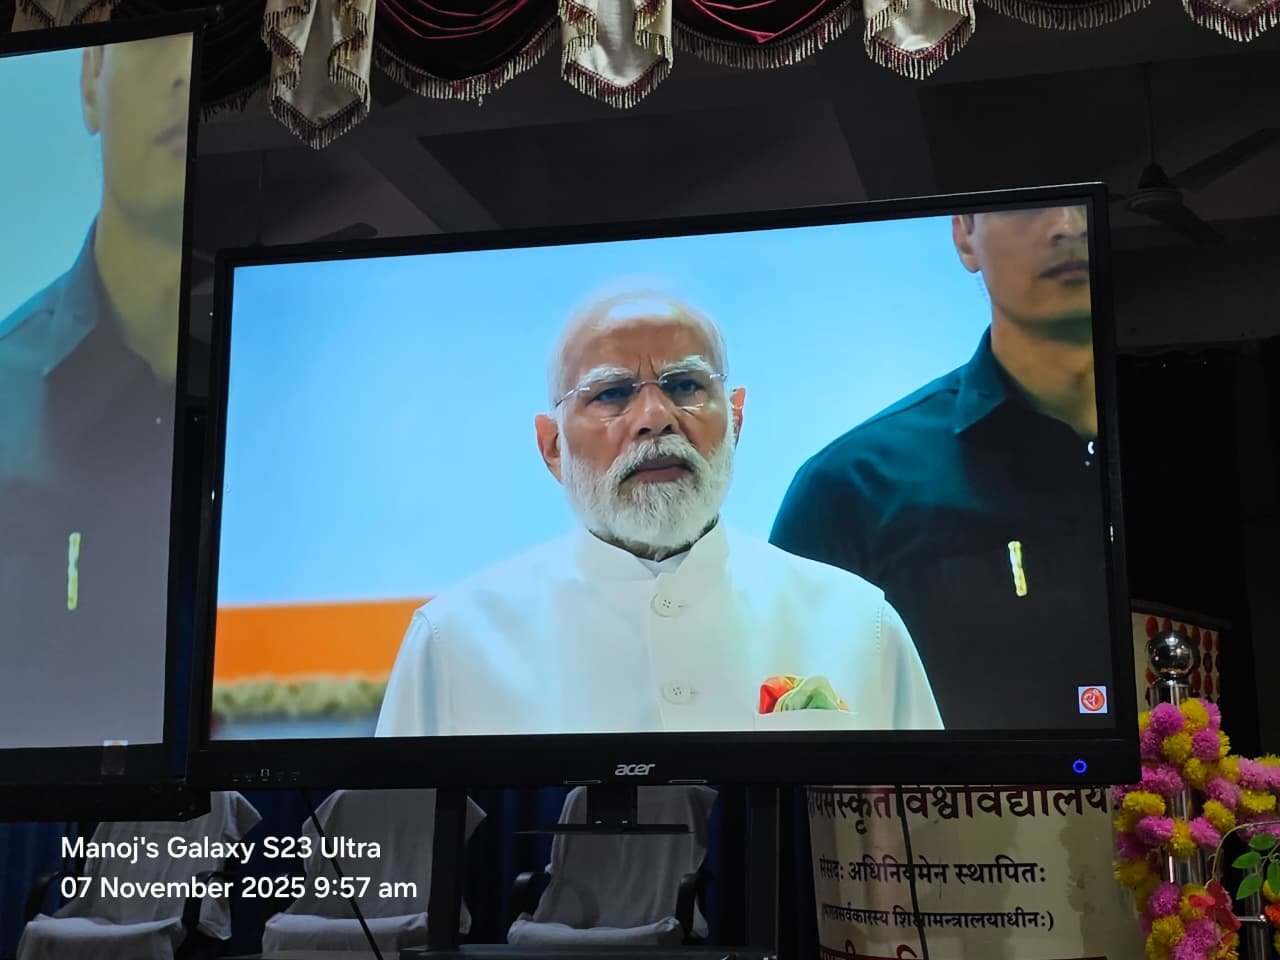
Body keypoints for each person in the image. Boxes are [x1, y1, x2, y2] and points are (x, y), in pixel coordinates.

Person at [376, 291, 943, 736]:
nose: (655, 417)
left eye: (685, 385)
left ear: (737, 421)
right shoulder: (453, 643)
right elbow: (391, 850)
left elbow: (930, 837)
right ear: (552, 448)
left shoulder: (857, 622)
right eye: (612, 393)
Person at [770, 205, 1114, 730]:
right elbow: (789, 734)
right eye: (1028, 204)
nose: (1069, 226)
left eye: (1084, 204)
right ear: (965, 235)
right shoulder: (848, 487)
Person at [0, 34, 193, 749]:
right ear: (90, 81)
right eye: (151, 45)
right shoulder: (5, 398)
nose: (183, 72)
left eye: (187, 49)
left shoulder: (261, 401)